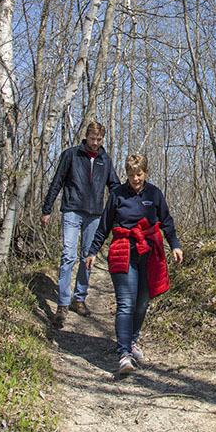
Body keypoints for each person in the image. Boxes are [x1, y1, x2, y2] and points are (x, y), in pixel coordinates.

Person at [85, 153, 183, 376]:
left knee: (142, 302)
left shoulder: (154, 194)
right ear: (126, 174)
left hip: (149, 252)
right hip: (123, 250)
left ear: (145, 173)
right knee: (126, 303)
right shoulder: (117, 194)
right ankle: (123, 354)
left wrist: (175, 245)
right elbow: (104, 226)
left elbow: (166, 222)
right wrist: (92, 251)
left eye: (138, 174)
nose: (135, 179)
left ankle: (133, 341)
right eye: (130, 175)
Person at [41, 120, 119, 328]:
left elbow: (114, 186)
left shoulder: (105, 159)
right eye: (93, 139)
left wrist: (124, 209)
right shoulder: (71, 155)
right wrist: (47, 209)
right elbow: (57, 181)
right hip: (72, 210)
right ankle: (63, 304)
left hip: (94, 214)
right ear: (86, 137)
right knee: (68, 255)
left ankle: (79, 298)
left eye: (99, 139)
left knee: (87, 257)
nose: (96, 143)